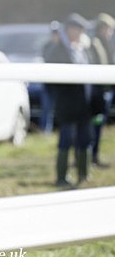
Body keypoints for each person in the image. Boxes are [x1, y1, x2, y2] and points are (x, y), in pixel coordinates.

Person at [44, 13, 93, 187]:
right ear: (70, 29)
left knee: (84, 138)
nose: (80, 33)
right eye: (78, 29)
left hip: (83, 104)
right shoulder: (58, 49)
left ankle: (83, 173)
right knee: (66, 139)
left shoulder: (82, 48)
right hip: (67, 103)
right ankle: (61, 176)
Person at [88, 13, 114, 167]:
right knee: (95, 125)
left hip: (105, 91)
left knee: (99, 124)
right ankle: (91, 157)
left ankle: (94, 156)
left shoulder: (104, 43)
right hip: (98, 93)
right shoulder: (96, 43)